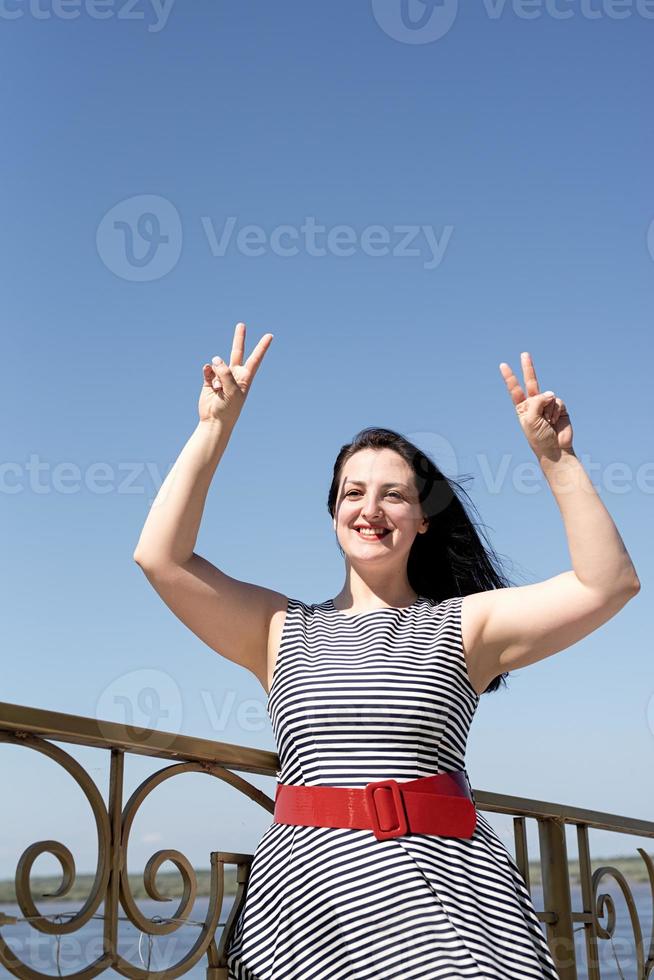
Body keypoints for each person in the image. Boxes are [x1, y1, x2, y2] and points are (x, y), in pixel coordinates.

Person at [133, 322, 640, 979]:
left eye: (394, 494)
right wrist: (214, 427)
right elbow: (159, 557)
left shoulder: (465, 626)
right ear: (332, 513)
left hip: (451, 912)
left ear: (423, 519)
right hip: (304, 917)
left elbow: (609, 583)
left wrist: (556, 459)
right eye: (353, 492)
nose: (371, 508)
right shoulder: (279, 627)